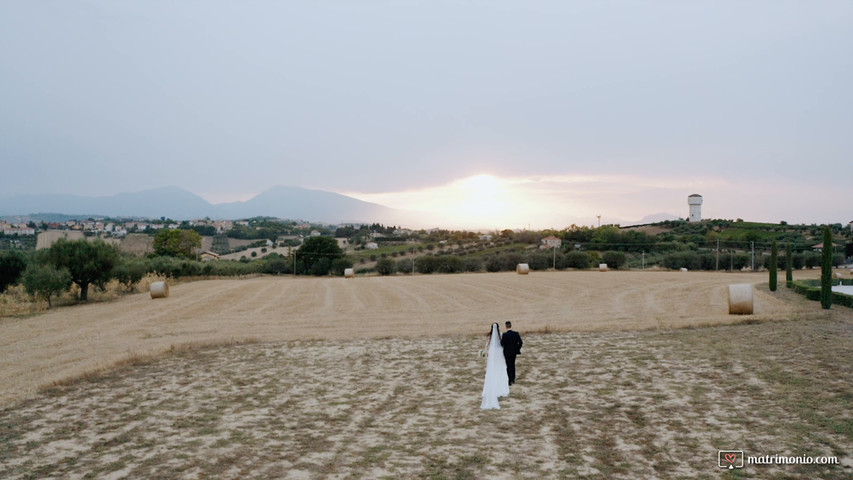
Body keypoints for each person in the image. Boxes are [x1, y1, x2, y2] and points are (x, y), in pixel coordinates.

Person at [481, 322, 510, 409]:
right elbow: (503, 343)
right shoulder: (501, 334)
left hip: (492, 352)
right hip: (499, 352)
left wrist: (485, 352)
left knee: (492, 368)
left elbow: (487, 345)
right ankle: (501, 385)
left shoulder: (489, 336)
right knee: (500, 368)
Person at [501, 321, 523, 385]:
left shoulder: (505, 335)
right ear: (511, 326)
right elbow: (521, 343)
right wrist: (517, 349)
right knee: (513, 365)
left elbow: (502, 344)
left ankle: (509, 380)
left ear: (506, 327)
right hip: (514, 352)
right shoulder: (516, 333)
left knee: (508, 366)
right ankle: (513, 379)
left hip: (507, 353)